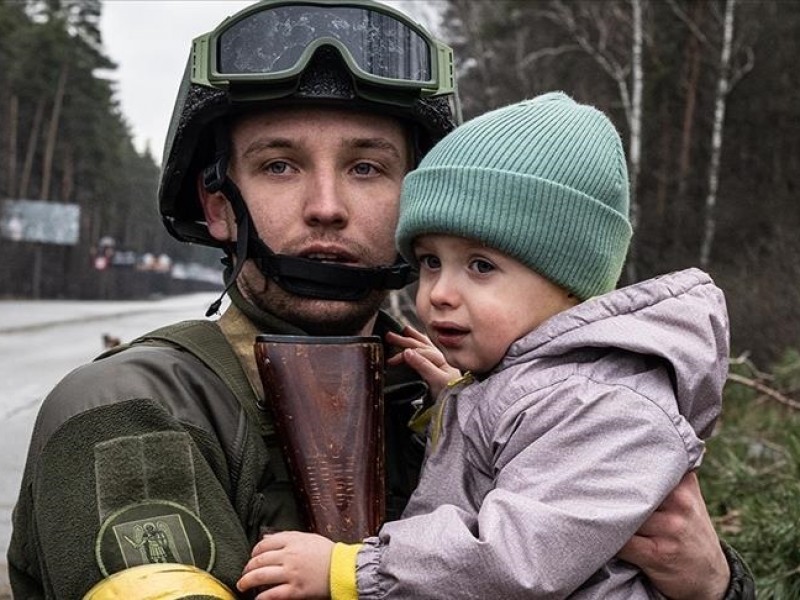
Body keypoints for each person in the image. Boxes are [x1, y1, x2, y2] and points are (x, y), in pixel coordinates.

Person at [6, 0, 751, 598]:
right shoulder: (131, 409)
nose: (327, 206)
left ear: (419, 200)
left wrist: (714, 585)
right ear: (218, 205)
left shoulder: (508, 388)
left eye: (367, 168)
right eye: (279, 166)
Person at [236, 93, 748, 599]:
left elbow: (515, 559)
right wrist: (460, 402)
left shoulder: (604, 405)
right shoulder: (533, 386)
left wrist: (351, 570)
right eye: (431, 262)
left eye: (481, 266)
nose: (439, 293)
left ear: (569, 282)